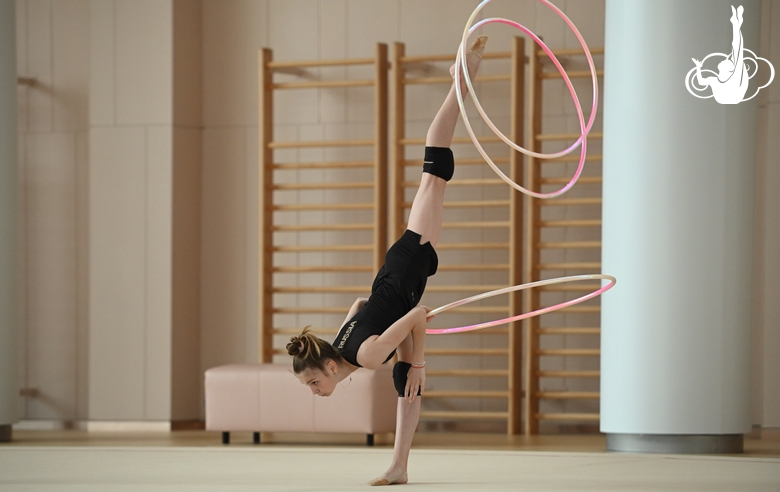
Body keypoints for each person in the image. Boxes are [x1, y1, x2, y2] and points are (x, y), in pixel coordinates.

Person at [285, 35, 488, 486]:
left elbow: (418, 314)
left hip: (408, 264)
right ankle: (399, 466)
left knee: (435, 173)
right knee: (406, 390)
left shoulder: (368, 355)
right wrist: (406, 360)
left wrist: (416, 362)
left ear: (331, 369)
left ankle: (462, 77)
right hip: (397, 270)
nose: (316, 392)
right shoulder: (344, 344)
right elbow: (362, 303)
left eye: (314, 384)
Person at [692, 5, 748, 104]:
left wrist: (698, 68)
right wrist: (698, 67)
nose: (725, 59)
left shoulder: (733, 78)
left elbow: (737, 49)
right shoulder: (716, 80)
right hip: (729, 97)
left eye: (728, 61)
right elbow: (701, 82)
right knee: (737, 51)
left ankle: (736, 23)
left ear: (729, 69)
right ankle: (736, 23)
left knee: (737, 50)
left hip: (732, 97)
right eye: (729, 61)